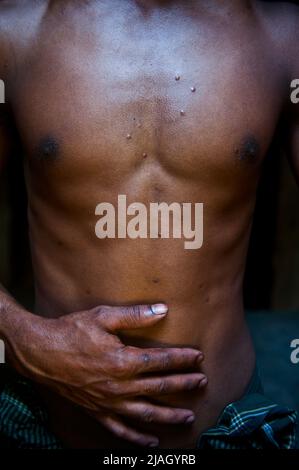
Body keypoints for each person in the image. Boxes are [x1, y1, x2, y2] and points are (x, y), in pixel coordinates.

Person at [0, 0, 298, 449]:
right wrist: (24, 338)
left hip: (228, 432)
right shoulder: (16, 31)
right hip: (53, 428)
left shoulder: (282, 36)